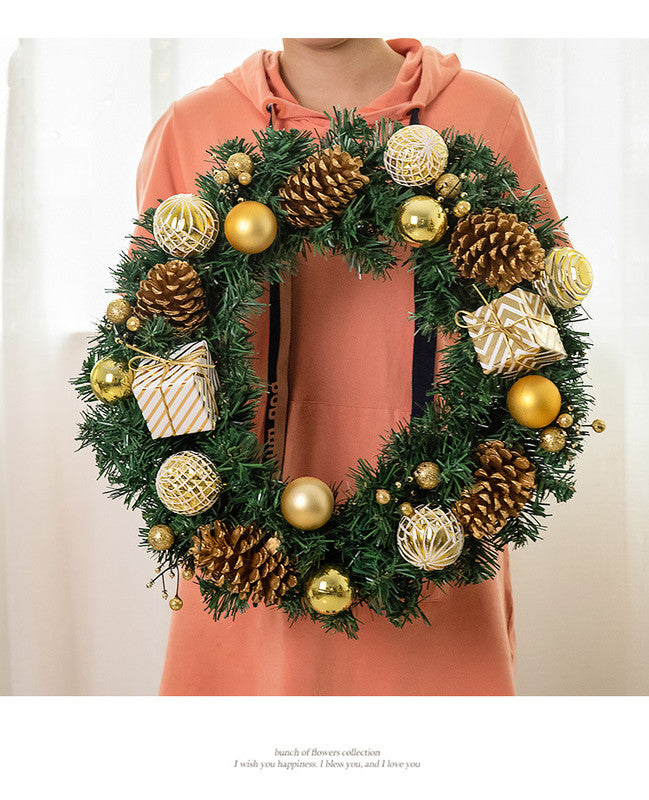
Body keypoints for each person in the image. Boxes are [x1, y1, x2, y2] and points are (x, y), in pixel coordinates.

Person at [137, 38, 562, 696]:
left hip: (436, 539)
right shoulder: (195, 127)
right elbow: (154, 333)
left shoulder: (483, 112)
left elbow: (531, 308)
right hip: (245, 551)